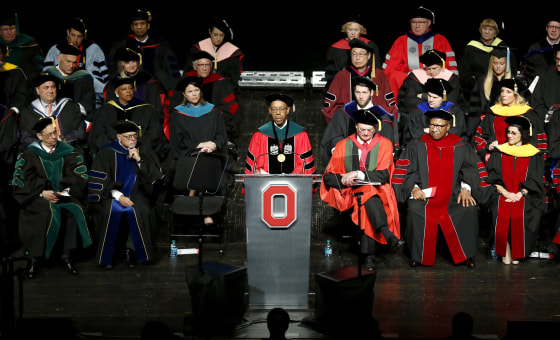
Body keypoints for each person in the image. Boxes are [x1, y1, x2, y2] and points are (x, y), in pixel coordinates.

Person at [392, 110, 487, 268]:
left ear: (448, 127)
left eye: (439, 126)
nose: (434, 129)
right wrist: (414, 189)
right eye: (432, 125)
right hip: (425, 195)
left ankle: (465, 255)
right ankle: (418, 255)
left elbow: (470, 169)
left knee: (467, 207)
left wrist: (466, 188)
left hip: (453, 194)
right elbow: (408, 171)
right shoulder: (417, 144)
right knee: (415, 209)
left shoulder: (461, 145)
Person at [320, 109, 403, 270]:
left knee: (368, 196)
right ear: (356, 127)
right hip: (349, 192)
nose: (366, 133)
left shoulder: (384, 144)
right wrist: (343, 178)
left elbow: (384, 175)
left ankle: (368, 256)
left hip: (378, 193)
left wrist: (358, 174)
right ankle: (386, 236)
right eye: (362, 129)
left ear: (375, 128)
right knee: (368, 196)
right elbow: (328, 177)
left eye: (370, 130)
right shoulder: (344, 145)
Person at [11, 117, 92, 278]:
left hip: (63, 194)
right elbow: (21, 182)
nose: (54, 137)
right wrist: (42, 193)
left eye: (55, 132)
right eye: (49, 135)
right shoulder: (29, 154)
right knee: (45, 212)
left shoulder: (68, 151)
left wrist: (64, 191)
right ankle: (34, 260)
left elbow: (79, 176)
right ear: (39, 136)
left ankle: (66, 256)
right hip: (36, 197)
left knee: (74, 210)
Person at [88, 120, 164, 268]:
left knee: (141, 210)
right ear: (119, 137)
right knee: (111, 210)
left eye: (135, 136)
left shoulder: (144, 150)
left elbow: (155, 178)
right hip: (112, 194)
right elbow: (99, 180)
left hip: (139, 192)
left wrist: (140, 160)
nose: (133, 140)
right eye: (128, 136)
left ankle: (132, 252)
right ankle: (108, 256)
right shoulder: (106, 152)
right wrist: (118, 196)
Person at [483, 116, 545, 265]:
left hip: (524, 194)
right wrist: (505, 193)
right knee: (501, 212)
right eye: (508, 132)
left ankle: (519, 250)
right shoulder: (500, 152)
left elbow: (535, 180)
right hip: (501, 192)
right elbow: (492, 177)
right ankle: (506, 249)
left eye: (514, 133)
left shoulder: (534, 154)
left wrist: (520, 194)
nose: (509, 135)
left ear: (523, 134)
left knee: (520, 214)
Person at [164, 50, 240, 145]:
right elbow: (171, 109)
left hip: (213, 129)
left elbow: (231, 111)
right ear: (195, 67)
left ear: (211, 66)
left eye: (207, 65)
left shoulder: (221, 83)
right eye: (201, 65)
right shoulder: (182, 82)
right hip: (188, 129)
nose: (204, 68)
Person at [320, 76, 398, 166]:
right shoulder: (343, 113)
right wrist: (344, 152)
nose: (360, 96)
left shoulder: (383, 118)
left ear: (372, 93)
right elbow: (333, 138)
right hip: (346, 163)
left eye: (364, 92)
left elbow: (387, 147)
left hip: (375, 167)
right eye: (357, 92)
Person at [382, 6, 458, 96]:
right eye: (413, 22)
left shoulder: (440, 40)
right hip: (408, 81)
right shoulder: (401, 41)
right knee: (394, 76)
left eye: (421, 22)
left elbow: (448, 66)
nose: (417, 26)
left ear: (429, 23)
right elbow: (391, 68)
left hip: (434, 80)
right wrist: (412, 76)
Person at [88, 76, 167, 159]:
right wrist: (115, 148)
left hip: (142, 153)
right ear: (116, 92)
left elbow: (154, 133)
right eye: (124, 89)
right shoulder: (105, 110)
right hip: (112, 155)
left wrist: (139, 148)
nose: (128, 91)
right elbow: (98, 134)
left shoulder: (147, 109)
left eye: (131, 88)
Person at [106, 9, 181, 94]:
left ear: (148, 26)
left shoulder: (161, 46)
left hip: (157, 90)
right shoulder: (121, 46)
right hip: (129, 89)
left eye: (142, 23)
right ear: (132, 27)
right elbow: (112, 68)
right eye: (136, 24)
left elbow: (172, 72)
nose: (139, 27)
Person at [397, 49, 466, 140]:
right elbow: (408, 100)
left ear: (441, 65)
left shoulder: (451, 79)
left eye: (434, 68)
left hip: (444, 116)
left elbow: (451, 100)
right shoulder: (415, 77)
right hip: (420, 117)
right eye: (428, 68)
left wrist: (424, 96)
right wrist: (432, 102)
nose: (431, 72)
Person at [323, 38, 397, 124]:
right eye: (354, 54)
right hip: (349, 124)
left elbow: (389, 103)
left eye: (361, 54)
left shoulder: (379, 75)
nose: (357, 58)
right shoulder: (342, 76)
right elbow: (330, 105)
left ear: (369, 56)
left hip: (376, 122)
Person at [473, 78, 547, 162]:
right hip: (495, 159)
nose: (503, 94)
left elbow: (537, 141)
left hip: (521, 160)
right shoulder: (493, 113)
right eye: (502, 91)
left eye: (508, 92)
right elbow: (480, 136)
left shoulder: (528, 114)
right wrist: (488, 146)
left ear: (516, 95)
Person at [42, 17, 109, 107]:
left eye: (79, 36)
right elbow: (45, 76)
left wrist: (107, 93)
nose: (76, 40)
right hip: (58, 98)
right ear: (68, 32)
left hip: (91, 98)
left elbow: (104, 76)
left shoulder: (94, 49)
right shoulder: (56, 49)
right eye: (73, 35)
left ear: (84, 36)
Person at [245, 93, 315, 175]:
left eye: (282, 109)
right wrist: (257, 173)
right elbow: (252, 165)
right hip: (265, 182)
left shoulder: (301, 135)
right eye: (274, 109)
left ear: (288, 110)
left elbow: (306, 163)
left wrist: (297, 174)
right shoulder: (259, 135)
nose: (278, 112)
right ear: (270, 111)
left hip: (295, 182)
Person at [18, 74, 87, 151]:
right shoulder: (27, 112)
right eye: (46, 88)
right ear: (37, 90)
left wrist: (63, 140)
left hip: (68, 150)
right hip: (39, 153)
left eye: (53, 87)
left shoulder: (71, 106)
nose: (50, 91)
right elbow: (25, 138)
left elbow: (80, 133)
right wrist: (46, 145)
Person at [458, 18, 517, 99]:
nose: (487, 32)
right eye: (484, 29)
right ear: (480, 30)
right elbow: (464, 71)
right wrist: (476, 83)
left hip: (499, 89)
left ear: (496, 33)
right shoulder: (471, 48)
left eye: (491, 29)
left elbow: (512, 69)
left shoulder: (503, 48)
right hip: (476, 89)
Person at [467, 46, 514, 137]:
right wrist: (471, 132)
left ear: (507, 64)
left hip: (507, 125)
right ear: (491, 63)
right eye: (495, 63)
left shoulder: (513, 81)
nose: (498, 67)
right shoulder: (482, 81)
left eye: (502, 64)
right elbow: (475, 108)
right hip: (485, 125)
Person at [186, 16, 244, 90]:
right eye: (215, 35)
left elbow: (234, 77)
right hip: (201, 90)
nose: (218, 39)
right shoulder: (199, 48)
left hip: (224, 92)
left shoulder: (232, 52)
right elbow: (188, 71)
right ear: (210, 32)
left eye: (221, 35)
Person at [43, 43, 96, 121]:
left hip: (76, 119)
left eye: (74, 62)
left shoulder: (84, 77)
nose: (71, 66)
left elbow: (88, 103)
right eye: (68, 61)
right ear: (59, 58)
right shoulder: (48, 76)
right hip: (49, 118)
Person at [324, 17, 381, 88]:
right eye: (350, 30)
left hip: (365, 85)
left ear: (361, 30)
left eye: (356, 30)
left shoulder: (370, 45)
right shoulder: (335, 48)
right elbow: (331, 72)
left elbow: (376, 67)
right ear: (345, 30)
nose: (353, 33)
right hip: (343, 86)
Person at [103, 46, 162, 115]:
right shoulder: (115, 82)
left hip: (144, 118)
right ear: (122, 65)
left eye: (134, 61)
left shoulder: (148, 80)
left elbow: (154, 105)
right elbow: (110, 106)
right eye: (127, 62)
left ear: (138, 62)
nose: (131, 65)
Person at [406, 78, 466, 145]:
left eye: (435, 97)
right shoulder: (417, 111)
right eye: (429, 96)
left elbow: (459, 132)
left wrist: (433, 131)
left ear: (443, 98)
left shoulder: (454, 111)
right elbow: (413, 133)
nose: (431, 100)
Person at [0, 13, 43, 87]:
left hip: (25, 88)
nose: (9, 32)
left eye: (12, 28)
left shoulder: (30, 45)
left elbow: (39, 69)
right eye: (5, 29)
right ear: (0, 32)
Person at [522, 18, 560, 85]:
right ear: (546, 28)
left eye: (557, 27)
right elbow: (528, 73)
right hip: (540, 89)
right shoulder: (535, 48)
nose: (554, 30)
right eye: (551, 27)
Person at [530, 44, 560, 122]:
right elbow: (537, 103)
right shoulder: (546, 75)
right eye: (557, 59)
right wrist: (545, 118)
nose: (559, 63)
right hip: (551, 124)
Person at [0, 42, 29, 114]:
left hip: (9, 115)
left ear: (3, 55)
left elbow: (22, 94)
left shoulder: (15, 71)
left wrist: (14, 109)